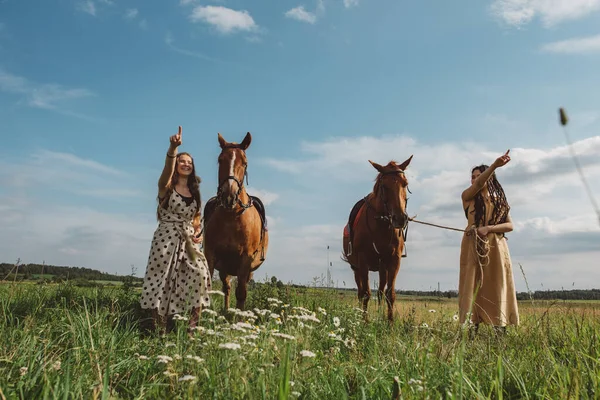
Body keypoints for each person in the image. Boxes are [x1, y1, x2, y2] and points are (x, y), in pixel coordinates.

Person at [140, 126, 212, 334]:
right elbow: (166, 171)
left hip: (188, 240)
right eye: (182, 161)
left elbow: (197, 220)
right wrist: (173, 148)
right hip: (166, 237)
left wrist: (199, 232)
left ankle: (192, 330)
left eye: (189, 162)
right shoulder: (166, 186)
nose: (186, 164)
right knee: (160, 280)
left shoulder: (196, 192)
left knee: (200, 274)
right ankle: (159, 329)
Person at [458, 150, 519, 334]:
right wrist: (494, 166)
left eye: (479, 175)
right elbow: (478, 185)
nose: (475, 180)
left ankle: (499, 328)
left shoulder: (500, 200)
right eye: (473, 177)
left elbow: (510, 225)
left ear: (491, 178)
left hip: (497, 247)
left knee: (496, 284)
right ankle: (471, 327)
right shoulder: (467, 196)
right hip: (472, 245)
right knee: (471, 283)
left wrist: (489, 229)